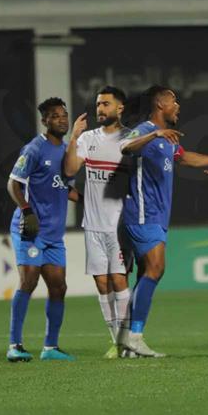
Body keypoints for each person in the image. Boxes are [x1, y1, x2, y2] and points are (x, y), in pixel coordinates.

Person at [116, 86, 208, 358]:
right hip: (142, 213)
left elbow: (185, 158)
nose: (178, 106)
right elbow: (124, 147)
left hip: (157, 216)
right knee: (156, 268)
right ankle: (134, 338)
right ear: (160, 104)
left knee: (147, 273)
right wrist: (154, 134)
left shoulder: (169, 138)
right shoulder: (146, 130)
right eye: (174, 101)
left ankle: (129, 341)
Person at [6, 97, 79, 362]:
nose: (61, 120)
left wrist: (88, 201)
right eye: (55, 116)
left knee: (59, 287)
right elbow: (13, 184)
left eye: (64, 115)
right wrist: (27, 211)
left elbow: (63, 187)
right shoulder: (34, 149)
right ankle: (15, 345)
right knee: (29, 282)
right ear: (45, 121)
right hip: (31, 230)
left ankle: (50, 348)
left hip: (54, 235)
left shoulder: (67, 152)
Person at [64, 86, 133, 359]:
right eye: (98, 104)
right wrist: (73, 137)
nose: (100, 109)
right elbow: (70, 169)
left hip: (119, 225)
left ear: (120, 108)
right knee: (102, 284)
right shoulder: (87, 138)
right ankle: (117, 342)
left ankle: (128, 341)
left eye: (105, 104)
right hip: (92, 225)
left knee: (119, 280)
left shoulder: (131, 139)